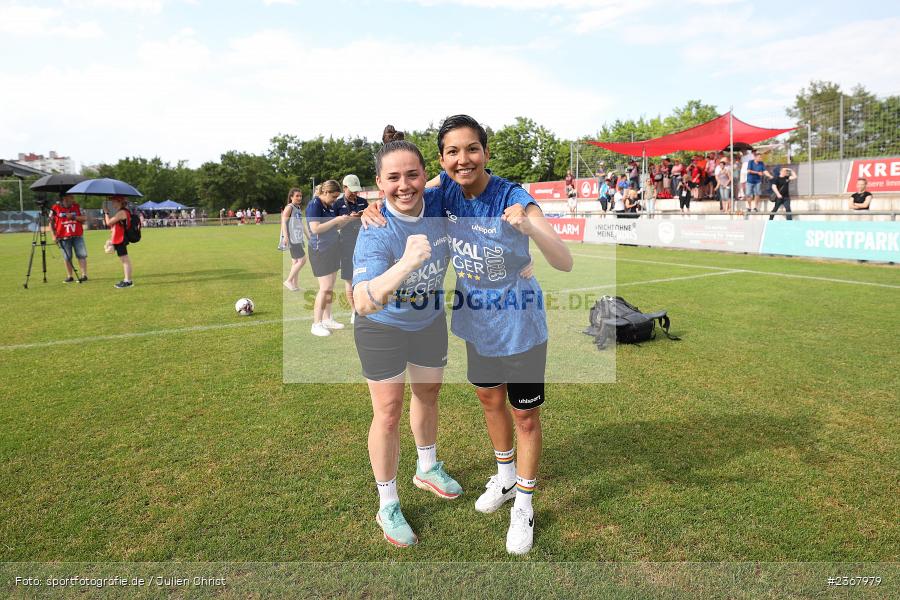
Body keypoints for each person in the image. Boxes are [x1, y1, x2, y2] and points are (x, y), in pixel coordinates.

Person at [362, 115, 573, 555]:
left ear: (486, 152)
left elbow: (564, 261)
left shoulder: (512, 196)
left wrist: (531, 227)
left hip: (520, 322)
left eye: (472, 148)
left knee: (526, 417)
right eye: (453, 152)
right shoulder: (443, 194)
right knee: (489, 401)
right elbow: (403, 191)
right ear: (443, 160)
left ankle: (525, 504)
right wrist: (371, 205)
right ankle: (505, 478)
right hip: (475, 322)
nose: (464, 159)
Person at [351, 133, 461, 548]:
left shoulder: (436, 200)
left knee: (429, 393)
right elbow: (362, 301)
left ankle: (427, 468)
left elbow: (457, 175)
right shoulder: (376, 230)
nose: (404, 185)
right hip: (382, 326)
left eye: (412, 175)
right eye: (392, 178)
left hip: (429, 320)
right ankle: (388, 502)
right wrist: (407, 262)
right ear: (378, 184)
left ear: (424, 175)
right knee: (388, 411)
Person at [306, 180, 352, 336]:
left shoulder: (328, 206)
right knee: (324, 288)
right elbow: (315, 229)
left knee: (330, 287)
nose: (334, 200)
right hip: (320, 251)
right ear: (325, 192)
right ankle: (316, 323)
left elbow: (333, 227)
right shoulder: (315, 204)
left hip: (332, 249)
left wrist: (344, 221)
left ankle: (327, 319)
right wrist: (336, 220)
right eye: (333, 196)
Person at [337, 174, 369, 325]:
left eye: (357, 190)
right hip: (346, 244)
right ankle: (354, 311)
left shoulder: (363, 202)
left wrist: (363, 215)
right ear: (344, 188)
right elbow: (334, 226)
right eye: (352, 190)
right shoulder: (337, 204)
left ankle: (367, 306)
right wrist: (348, 219)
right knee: (349, 279)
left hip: (364, 242)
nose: (355, 193)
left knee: (366, 275)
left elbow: (370, 218)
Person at [49, 194, 88, 283]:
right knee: (67, 257)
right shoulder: (55, 208)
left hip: (77, 235)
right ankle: (70, 276)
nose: (69, 201)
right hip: (63, 237)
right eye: (66, 199)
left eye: (70, 199)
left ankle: (84, 275)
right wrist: (53, 235)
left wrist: (73, 217)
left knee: (81, 255)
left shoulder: (77, 206)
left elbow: (84, 218)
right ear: (62, 199)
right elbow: (50, 222)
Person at [281, 188, 309, 291]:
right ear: (291, 197)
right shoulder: (289, 207)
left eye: (300, 196)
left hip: (297, 237)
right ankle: (288, 281)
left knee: (295, 262)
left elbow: (301, 224)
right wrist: (286, 236)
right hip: (292, 238)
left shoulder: (298, 208)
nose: (299, 198)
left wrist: (307, 235)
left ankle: (295, 285)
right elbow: (283, 222)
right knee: (302, 259)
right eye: (297, 196)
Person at [103, 195, 134, 288]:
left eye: (114, 201)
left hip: (120, 238)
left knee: (125, 260)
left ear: (119, 202)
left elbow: (108, 223)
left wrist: (106, 213)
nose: (112, 203)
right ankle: (127, 280)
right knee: (124, 260)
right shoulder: (122, 211)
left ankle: (128, 281)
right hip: (119, 238)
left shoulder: (121, 212)